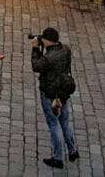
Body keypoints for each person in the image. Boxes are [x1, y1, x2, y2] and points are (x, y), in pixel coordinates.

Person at [31, 27, 79, 170]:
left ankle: (58, 158)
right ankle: (72, 151)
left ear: (47, 41)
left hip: (50, 94)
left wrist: (35, 49)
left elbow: (36, 66)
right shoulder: (66, 49)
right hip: (63, 92)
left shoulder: (49, 58)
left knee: (54, 124)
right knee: (64, 121)